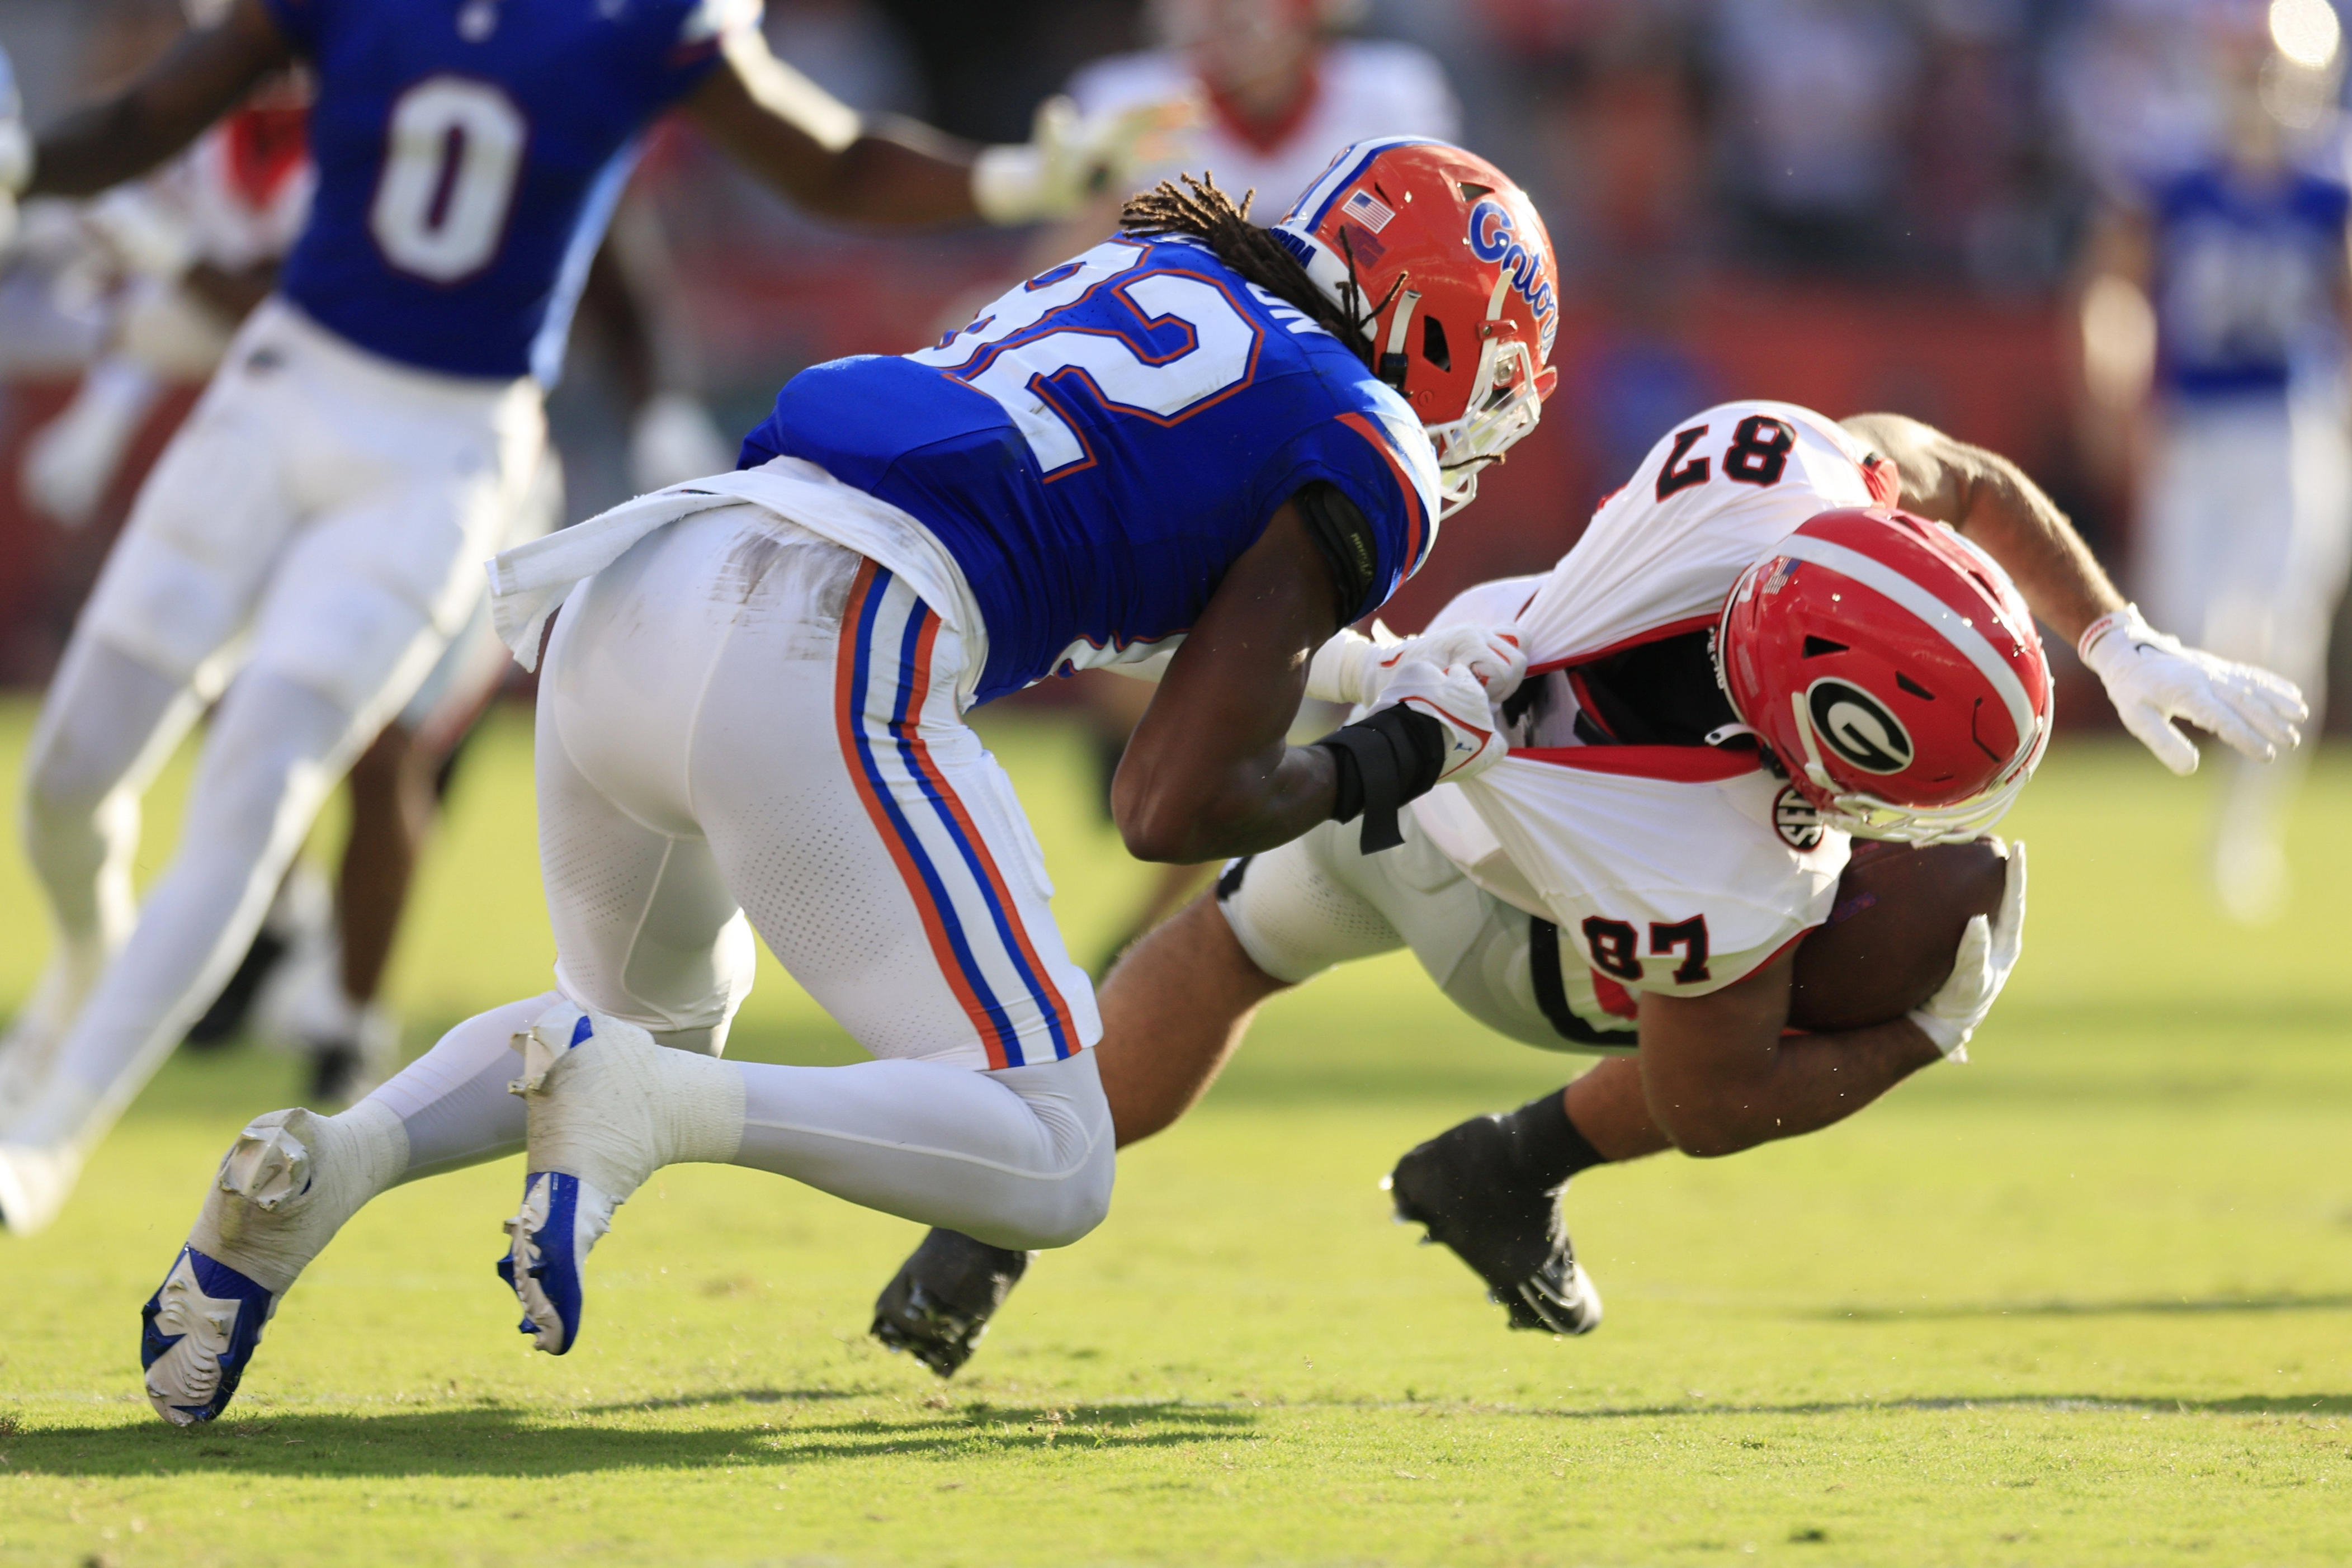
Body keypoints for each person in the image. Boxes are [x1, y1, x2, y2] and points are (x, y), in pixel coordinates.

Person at [136, 138, 1565, 1425]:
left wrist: (1359, 670)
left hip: (645, 586)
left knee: (631, 1022)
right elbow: (1172, 805)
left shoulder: (1161, 263)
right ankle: (647, 1111)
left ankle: (325, 1168)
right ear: (1439, 328)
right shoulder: (1366, 438)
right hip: (828, 632)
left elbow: (1134, 571)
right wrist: (1400, 753)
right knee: (1056, 1151)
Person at [0, 0, 1172, 1234]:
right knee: (70, 777)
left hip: (445, 446)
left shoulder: (639, 21)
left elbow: (821, 158)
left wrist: (1012, 179)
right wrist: (23, 165)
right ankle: (85, 960)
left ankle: (43, 1134)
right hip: (279, 390)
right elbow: (149, 117)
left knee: (266, 771)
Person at [867, 400, 2310, 1375]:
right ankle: (1511, 1167)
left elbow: (1962, 482)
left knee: (1239, 941)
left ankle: (994, 1213)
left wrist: (2113, 639)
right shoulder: (1719, 858)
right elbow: (1715, 1103)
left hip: (1425, 747)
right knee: (1941, 913)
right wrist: (1920, 1035)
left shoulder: (1774, 476)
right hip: (1524, 939)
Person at [1019, 0, 1465, 969]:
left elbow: (1436, 273)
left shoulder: (1387, 96)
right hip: (1165, 437)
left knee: (1257, 695)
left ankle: (1149, 929)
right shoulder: (1134, 103)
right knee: (1121, 654)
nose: (1210, 18)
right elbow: (1052, 279)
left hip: (1310, 442)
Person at [2079, 9, 2351, 921]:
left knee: (2274, 632)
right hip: (2192, 435)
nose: (2257, 88)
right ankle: (2232, 814)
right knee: (2189, 624)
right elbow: (2113, 280)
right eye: (2242, 67)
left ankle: (2243, 836)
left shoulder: (2330, 180)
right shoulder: (2173, 173)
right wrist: (2108, 368)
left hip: (2291, 430)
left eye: (2268, 67)